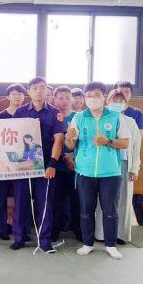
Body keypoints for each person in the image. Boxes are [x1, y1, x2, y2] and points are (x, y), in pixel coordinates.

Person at [65, 81, 129, 260]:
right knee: (86, 210)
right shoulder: (79, 118)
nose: (92, 99)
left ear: (103, 97)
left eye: (96, 95)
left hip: (110, 172)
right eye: (89, 96)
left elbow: (125, 143)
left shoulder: (115, 116)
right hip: (85, 172)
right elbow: (70, 146)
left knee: (110, 211)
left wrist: (107, 141)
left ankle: (111, 245)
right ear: (85, 98)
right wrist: (68, 138)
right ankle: (87, 243)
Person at [10, 77, 64, 252]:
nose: (39, 91)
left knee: (45, 203)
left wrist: (52, 164)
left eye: (42, 87)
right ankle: (19, 238)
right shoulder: (20, 111)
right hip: (24, 165)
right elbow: (12, 137)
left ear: (47, 90)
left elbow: (59, 140)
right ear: (29, 91)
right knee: (21, 202)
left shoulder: (55, 112)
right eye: (35, 88)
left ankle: (45, 241)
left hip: (46, 165)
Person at [95, 89, 142, 244]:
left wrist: (135, 168)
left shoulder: (131, 122)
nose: (118, 103)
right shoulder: (101, 119)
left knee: (123, 201)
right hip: (105, 165)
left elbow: (136, 147)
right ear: (107, 102)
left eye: (121, 101)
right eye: (115, 100)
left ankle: (120, 234)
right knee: (103, 200)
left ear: (126, 104)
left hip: (124, 164)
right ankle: (101, 234)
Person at [0, 84, 26, 240]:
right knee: (1, 196)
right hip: (4, 162)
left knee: (22, 198)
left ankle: (21, 230)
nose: (17, 97)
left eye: (20, 94)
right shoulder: (2, 115)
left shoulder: (28, 114)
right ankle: (1, 228)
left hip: (23, 162)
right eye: (13, 94)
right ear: (8, 97)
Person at [51, 86, 82, 243]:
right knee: (56, 201)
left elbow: (84, 141)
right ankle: (54, 231)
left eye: (68, 98)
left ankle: (78, 230)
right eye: (61, 98)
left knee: (77, 201)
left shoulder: (79, 117)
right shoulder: (52, 117)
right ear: (54, 100)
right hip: (57, 167)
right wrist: (64, 155)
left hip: (77, 167)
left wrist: (72, 155)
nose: (65, 101)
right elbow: (49, 141)